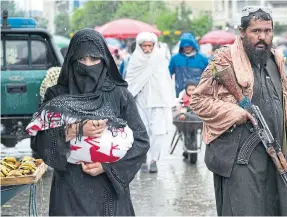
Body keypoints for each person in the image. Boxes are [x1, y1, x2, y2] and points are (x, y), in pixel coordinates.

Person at [190, 6, 287, 216]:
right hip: (239, 161)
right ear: (242, 32)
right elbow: (198, 101)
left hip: (274, 155)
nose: (263, 37)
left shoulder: (275, 60)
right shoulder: (224, 60)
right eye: (256, 31)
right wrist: (235, 113)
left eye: (267, 31)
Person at [30, 28, 150, 216]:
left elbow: (141, 141)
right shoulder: (57, 95)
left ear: (104, 61)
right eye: (81, 60)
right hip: (68, 191)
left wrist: (107, 167)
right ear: (71, 61)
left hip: (110, 192)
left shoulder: (118, 95)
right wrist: (73, 130)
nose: (88, 66)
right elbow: (38, 142)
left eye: (94, 59)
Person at [125, 32, 175, 173]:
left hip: (157, 101)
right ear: (140, 46)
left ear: (154, 45)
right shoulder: (134, 60)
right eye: (144, 45)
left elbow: (165, 80)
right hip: (140, 101)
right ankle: (142, 159)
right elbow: (130, 81)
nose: (147, 48)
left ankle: (154, 160)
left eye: (150, 45)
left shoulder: (160, 59)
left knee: (158, 132)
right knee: (142, 131)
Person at [168, 32, 209, 97]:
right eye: (185, 46)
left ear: (193, 45)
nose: (187, 48)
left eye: (189, 46)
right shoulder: (175, 59)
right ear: (182, 46)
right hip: (180, 94)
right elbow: (168, 74)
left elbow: (209, 76)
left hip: (198, 94)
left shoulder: (202, 59)